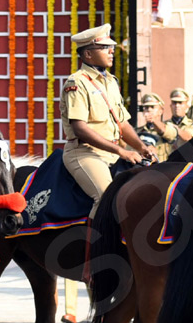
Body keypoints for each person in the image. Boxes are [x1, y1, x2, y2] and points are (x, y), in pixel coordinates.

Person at [61, 24, 153, 216]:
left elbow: (123, 124)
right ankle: (95, 246)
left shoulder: (111, 81)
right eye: (104, 48)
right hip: (85, 153)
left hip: (113, 152)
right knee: (106, 197)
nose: (111, 51)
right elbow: (80, 129)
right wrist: (122, 151)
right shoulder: (77, 82)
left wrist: (141, 147)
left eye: (111, 47)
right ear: (87, 54)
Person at [136, 92, 179, 162]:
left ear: (161, 111)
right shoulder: (138, 131)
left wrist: (154, 121)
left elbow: (168, 133)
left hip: (163, 169)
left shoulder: (168, 126)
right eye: (146, 107)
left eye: (152, 107)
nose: (149, 110)